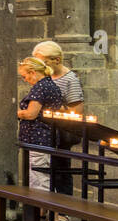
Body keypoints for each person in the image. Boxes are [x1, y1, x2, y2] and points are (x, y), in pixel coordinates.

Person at [32, 40, 83, 196]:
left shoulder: (70, 80)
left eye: (44, 62)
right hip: (44, 133)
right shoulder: (46, 77)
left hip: (61, 134)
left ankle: (62, 214)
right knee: (43, 173)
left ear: (57, 60)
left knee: (61, 172)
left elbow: (77, 111)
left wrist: (51, 106)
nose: (40, 66)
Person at [17, 56, 65, 191]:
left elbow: (31, 114)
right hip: (46, 138)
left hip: (38, 138)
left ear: (33, 72)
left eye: (24, 76)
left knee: (40, 181)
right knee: (43, 178)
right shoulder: (52, 85)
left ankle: (45, 211)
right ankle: (48, 211)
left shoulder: (40, 87)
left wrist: (16, 113)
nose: (25, 80)